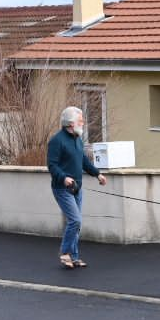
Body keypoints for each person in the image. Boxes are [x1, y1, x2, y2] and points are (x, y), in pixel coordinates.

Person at [46, 106, 106, 268]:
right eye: (80, 121)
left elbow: (84, 162)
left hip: (77, 188)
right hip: (62, 188)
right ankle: (65, 252)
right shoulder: (56, 141)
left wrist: (97, 174)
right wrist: (64, 177)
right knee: (75, 220)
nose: (83, 123)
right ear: (71, 124)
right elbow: (52, 165)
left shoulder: (77, 139)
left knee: (76, 224)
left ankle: (74, 257)